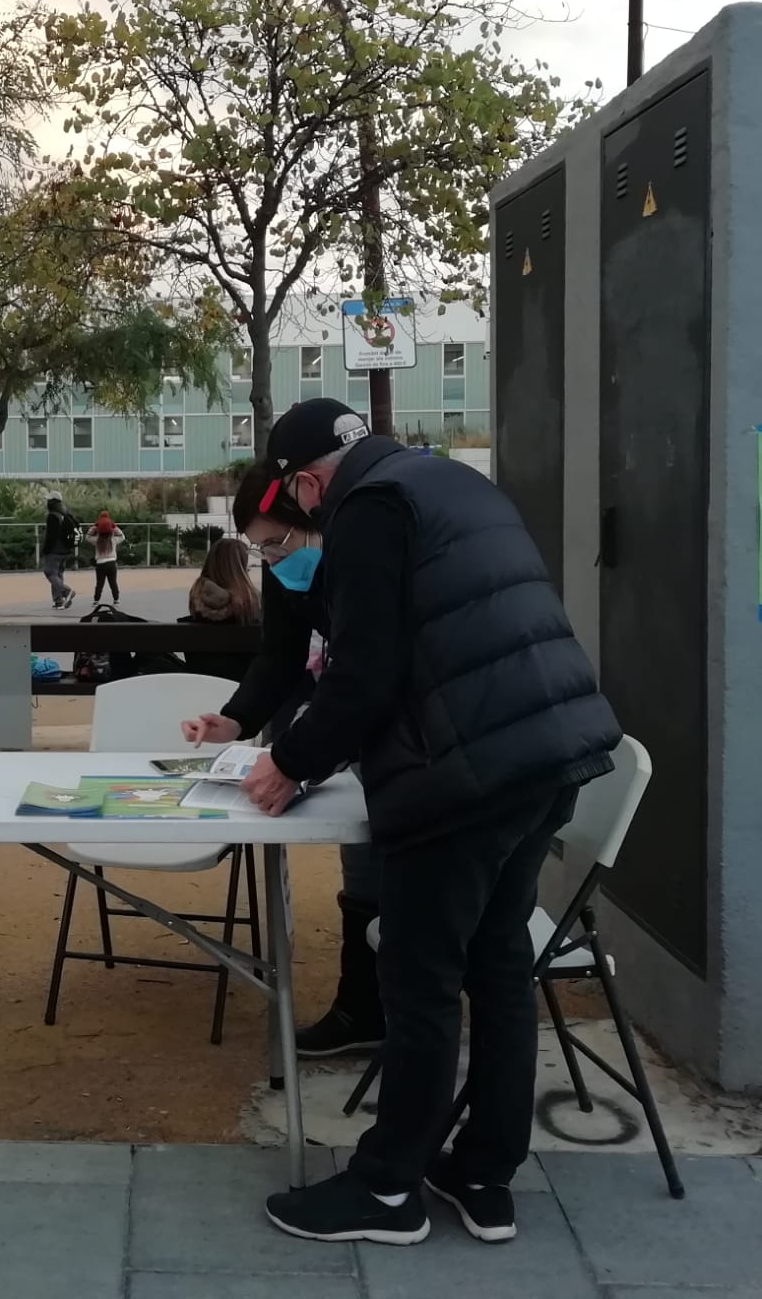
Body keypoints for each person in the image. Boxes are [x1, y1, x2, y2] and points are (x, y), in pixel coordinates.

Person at [197, 398, 620, 1250]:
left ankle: (388, 1188)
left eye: (295, 508)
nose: (296, 527)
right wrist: (253, 729)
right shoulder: (451, 485)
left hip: (462, 777)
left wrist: (292, 762)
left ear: (307, 482)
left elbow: (364, 675)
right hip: (550, 753)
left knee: (422, 985)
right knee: (498, 965)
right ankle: (482, 1171)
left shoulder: (367, 510)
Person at [178, 535, 260, 681]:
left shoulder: (197, 602)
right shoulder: (253, 604)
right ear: (241, 569)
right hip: (246, 685)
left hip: (204, 683)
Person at [41, 496, 78, 610]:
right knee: (58, 574)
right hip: (65, 550)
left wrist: (45, 550)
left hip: (55, 550)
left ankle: (66, 591)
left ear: (51, 503)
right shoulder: (65, 515)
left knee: (49, 572)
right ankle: (58, 601)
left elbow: (51, 536)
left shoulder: (53, 516)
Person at [89, 512, 125, 605]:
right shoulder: (113, 540)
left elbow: (88, 536)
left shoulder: (97, 541)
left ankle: (96, 600)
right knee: (113, 583)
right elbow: (122, 536)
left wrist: (94, 527)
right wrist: (114, 527)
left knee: (99, 584)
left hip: (100, 564)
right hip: (111, 563)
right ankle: (116, 599)